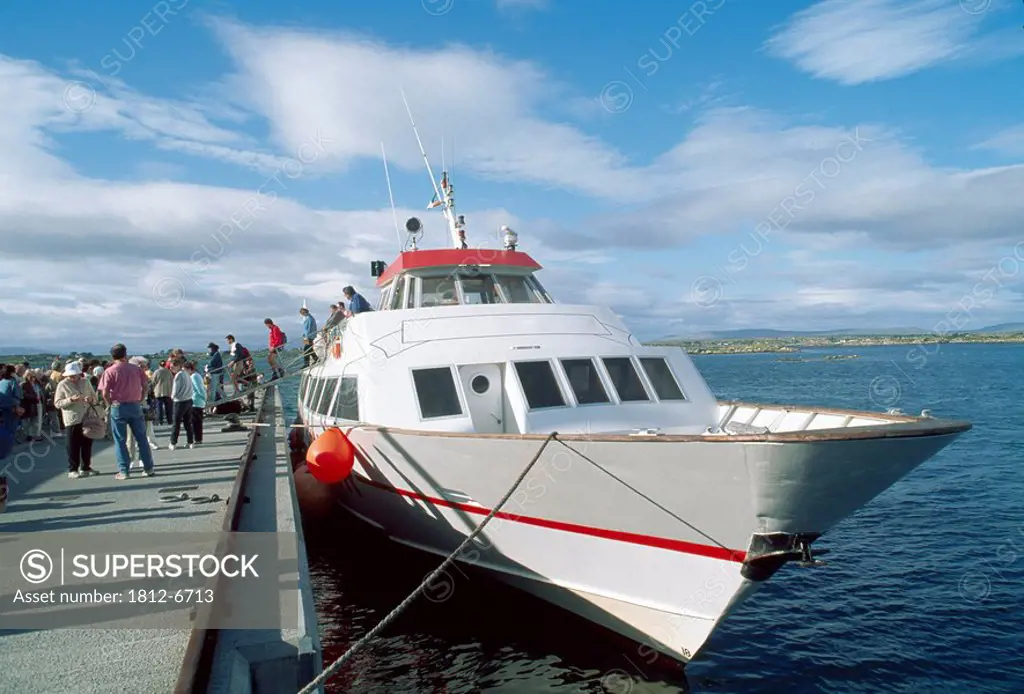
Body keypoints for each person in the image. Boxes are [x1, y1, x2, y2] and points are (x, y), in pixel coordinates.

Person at [97, 343, 155, 479]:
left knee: (120, 440)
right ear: (125, 354)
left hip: (118, 406)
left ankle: (124, 470)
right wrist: (140, 399)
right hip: (135, 405)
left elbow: (104, 392)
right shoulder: (135, 369)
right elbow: (145, 386)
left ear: (112, 356)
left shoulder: (109, 371)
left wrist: (110, 404)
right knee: (142, 438)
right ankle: (148, 467)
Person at [54, 362, 98, 478]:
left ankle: (86, 467)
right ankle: (72, 469)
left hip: (87, 416)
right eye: (70, 376)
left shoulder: (85, 382)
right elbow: (57, 403)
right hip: (72, 419)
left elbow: (95, 397)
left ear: (79, 374)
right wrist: (70, 400)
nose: (72, 378)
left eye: (74, 375)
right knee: (72, 445)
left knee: (87, 443)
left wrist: (90, 399)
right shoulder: (62, 385)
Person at [168, 360, 195, 451]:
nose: (171, 369)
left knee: (176, 423)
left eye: (172, 367)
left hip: (180, 401)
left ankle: (173, 442)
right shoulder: (186, 373)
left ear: (178, 366)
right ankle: (190, 442)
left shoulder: (178, 375)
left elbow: (175, 390)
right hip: (189, 400)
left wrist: (172, 397)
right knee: (188, 423)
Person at [0, 364, 24, 460]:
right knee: (11, 430)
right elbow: (17, 396)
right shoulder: (13, 382)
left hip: (3, 410)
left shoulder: (1, 382)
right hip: (12, 410)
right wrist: (17, 406)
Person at [186, 362, 206, 444]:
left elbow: (199, 389)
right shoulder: (197, 375)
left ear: (190, 369)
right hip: (198, 400)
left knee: (196, 421)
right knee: (197, 421)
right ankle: (198, 438)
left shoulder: (194, 376)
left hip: (196, 401)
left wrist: (203, 398)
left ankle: (197, 438)